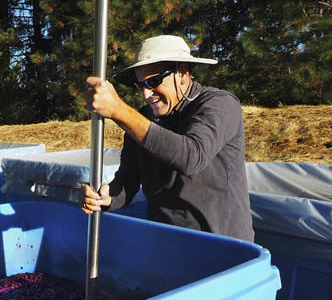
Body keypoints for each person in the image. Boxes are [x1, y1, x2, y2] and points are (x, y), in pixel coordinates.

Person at [81, 35, 254, 241]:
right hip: (166, 245)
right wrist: (106, 198)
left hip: (225, 249)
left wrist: (118, 110)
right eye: (141, 85)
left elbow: (191, 157)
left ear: (182, 73)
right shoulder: (142, 119)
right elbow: (129, 180)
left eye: (153, 82)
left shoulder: (219, 105)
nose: (146, 94)